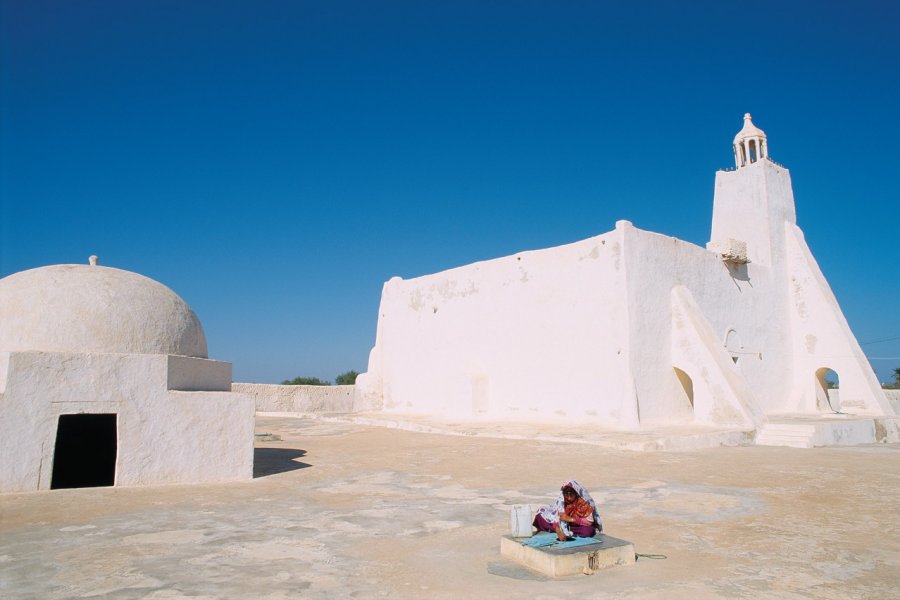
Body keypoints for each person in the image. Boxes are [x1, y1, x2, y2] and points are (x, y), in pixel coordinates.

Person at [532, 480, 602, 541]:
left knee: (588, 531)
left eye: (571, 495)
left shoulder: (584, 503)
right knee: (540, 515)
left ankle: (566, 532)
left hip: (577, 526)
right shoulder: (562, 501)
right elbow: (557, 516)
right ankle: (562, 531)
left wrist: (570, 519)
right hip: (565, 525)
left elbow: (589, 522)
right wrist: (558, 529)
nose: (568, 498)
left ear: (576, 493)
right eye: (566, 495)